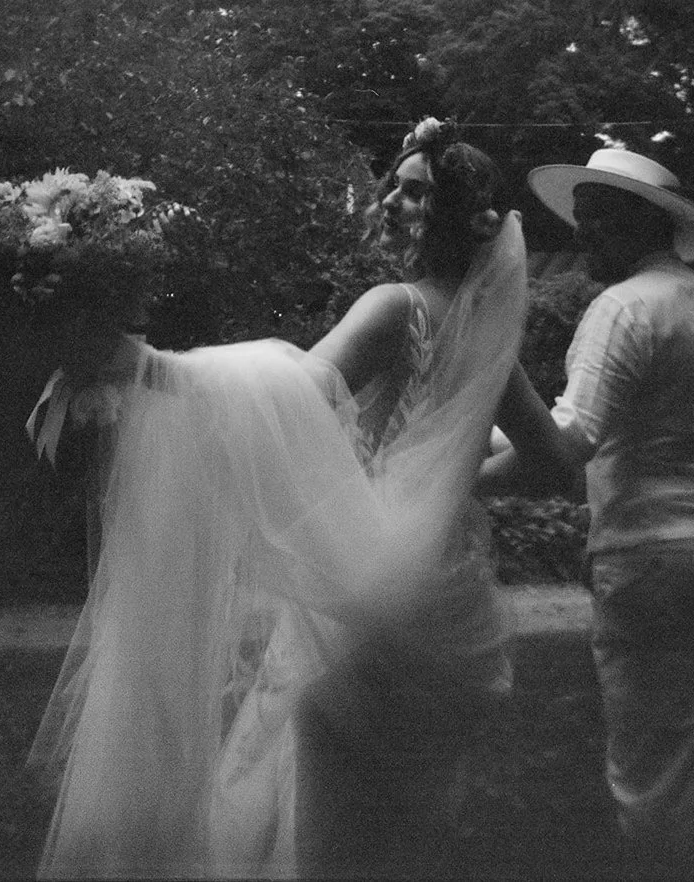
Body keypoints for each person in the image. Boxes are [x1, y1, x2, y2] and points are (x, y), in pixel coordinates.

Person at [29, 118, 566, 879]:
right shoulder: (486, 340)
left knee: (326, 812)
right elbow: (554, 462)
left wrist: (143, 365)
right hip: (449, 595)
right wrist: (441, 487)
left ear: (454, 215)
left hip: (366, 593)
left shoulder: (397, 306)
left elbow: (297, 391)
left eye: (415, 193)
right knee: (404, 823)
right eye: (395, 188)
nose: (391, 204)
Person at [485, 146, 694, 882]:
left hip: (649, 565)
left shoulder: (621, 308)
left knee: (650, 773)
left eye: (598, 219)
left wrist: (464, 477)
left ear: (644, 222)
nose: (583, 234)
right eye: (581, 218)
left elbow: (569, 441)